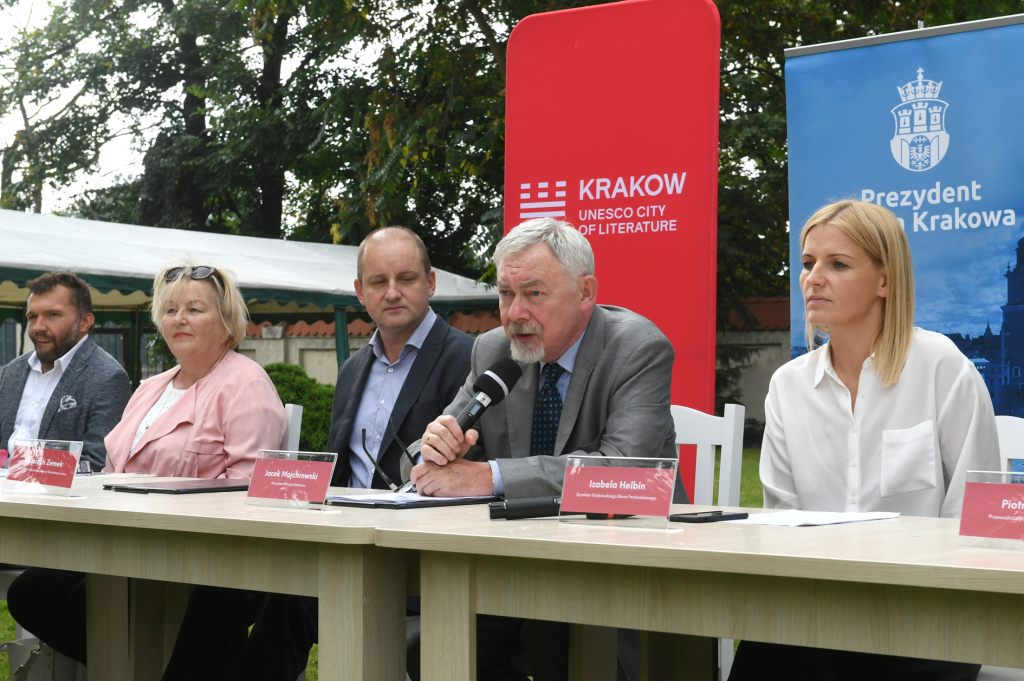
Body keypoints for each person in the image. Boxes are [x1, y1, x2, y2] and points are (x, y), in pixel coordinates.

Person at [160, 226, 474, 681]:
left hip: (418, 558)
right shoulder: (351, 370)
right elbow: (338, 473)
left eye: (405, 279)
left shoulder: (467, 357)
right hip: (342, 545)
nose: (391, 293)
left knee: (288, 600)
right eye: (377, 282)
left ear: (430, 283)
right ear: (359, 292)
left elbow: (474, 474)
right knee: (225, 589)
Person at [728, 200, 999, 681]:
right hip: (815, 615)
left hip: (928, 618)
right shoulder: (788, 386)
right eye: (808, 263)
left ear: (885, 280)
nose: (813, 277)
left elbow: (978, 519)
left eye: (838, 264)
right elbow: (781, 522)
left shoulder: (943, 367)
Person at [405, 217, 683, 681]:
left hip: (620, 577)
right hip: (516, 575)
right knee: (432, 648)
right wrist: (432, 451)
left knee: (557, 643)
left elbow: (623, 474)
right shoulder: (494, 350)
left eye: (534, 293)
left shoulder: (637, 347)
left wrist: (488, 475)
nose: (514, 313)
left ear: (585, 292)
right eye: (505, 294)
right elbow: (426, 458)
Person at [6, 259, 287, 665]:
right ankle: (141, 662)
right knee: (33, 591)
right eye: (170, 310)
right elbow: (110, 470)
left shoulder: (247, 384)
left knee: (93, 598)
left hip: (198, 554)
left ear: (226, 320)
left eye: (194, 309)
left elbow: (249, 491)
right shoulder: (152, 387)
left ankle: (148, 661)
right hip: (124, 545)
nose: (179, 319)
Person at [0, 272, 130, 471]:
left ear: (85, 322)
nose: (38, 327)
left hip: (52, 500)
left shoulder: (107, 377)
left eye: (53, 315)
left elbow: (97, 464)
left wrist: (19, 470)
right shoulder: (12, 372)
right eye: (32, 316)